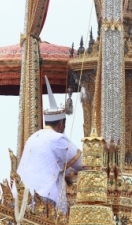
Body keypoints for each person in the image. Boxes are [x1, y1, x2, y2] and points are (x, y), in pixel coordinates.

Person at [16, 75, 84, 213]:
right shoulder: (57, 139)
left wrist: (68, 173)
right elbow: (85, 164)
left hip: (20, 198)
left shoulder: (34, 137)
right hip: (44, 200)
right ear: (60, 124)